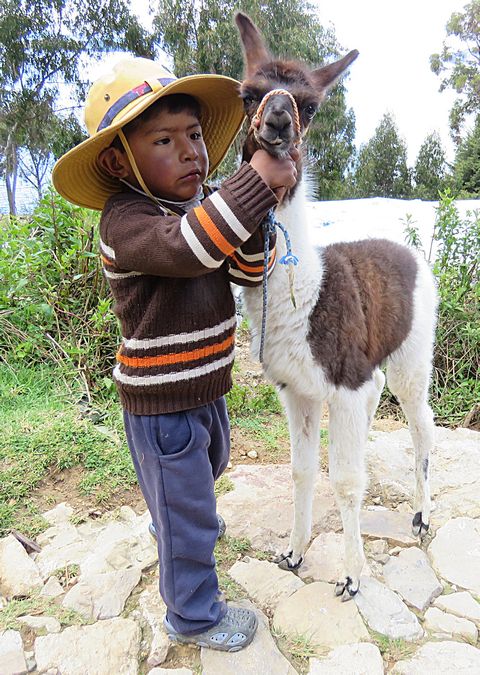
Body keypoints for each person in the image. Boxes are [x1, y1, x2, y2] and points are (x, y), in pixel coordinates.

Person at [52, 57, 297, 652]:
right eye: (164, 140)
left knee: (200, 483)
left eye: (193, 135)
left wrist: (258, 210)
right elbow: (191, 248)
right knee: (188, 510)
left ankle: (177, 519)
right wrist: (254, 183)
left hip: (206, 391)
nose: (190, 152)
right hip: (162, 405)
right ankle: (192, 615)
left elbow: (247, 267)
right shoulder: (126, 223)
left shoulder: (204, 204)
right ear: (118, 160)